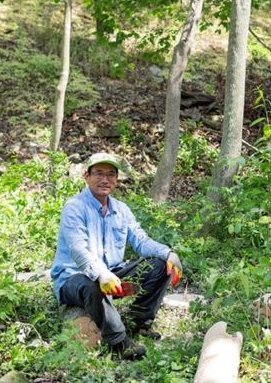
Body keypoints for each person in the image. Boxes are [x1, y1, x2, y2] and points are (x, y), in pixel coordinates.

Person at [50, 152, 183, 360]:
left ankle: (140, 323)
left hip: (112, 275)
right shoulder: (74, 208)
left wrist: (169, 253)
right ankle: (119, 342)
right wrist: (101, 273)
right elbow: (78, 250)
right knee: (92, 280)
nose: (105, 179)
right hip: (74, 279)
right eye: (99, 173)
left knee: (159, 265)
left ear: (117, 179)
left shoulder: (121, 210)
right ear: (87, 176)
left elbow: (141, 241)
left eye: (111, 174)